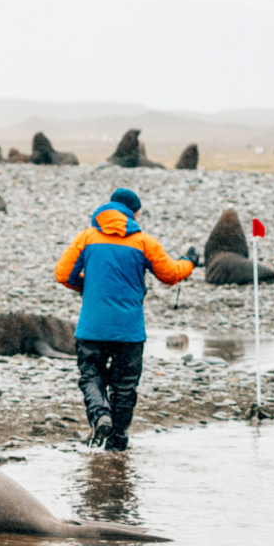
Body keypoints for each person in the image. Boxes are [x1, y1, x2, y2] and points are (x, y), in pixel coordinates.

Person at [54, 188, 197, 451]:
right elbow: (169, 275)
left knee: (91, 377)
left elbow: (63, 275)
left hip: (91, 328)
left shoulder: (86, 237)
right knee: (124, 388)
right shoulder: (144, 242)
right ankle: (117, 444)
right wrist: (189, 262)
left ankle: (100, 416)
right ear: (134, 212)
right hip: (129, 331)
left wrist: (89, 287)